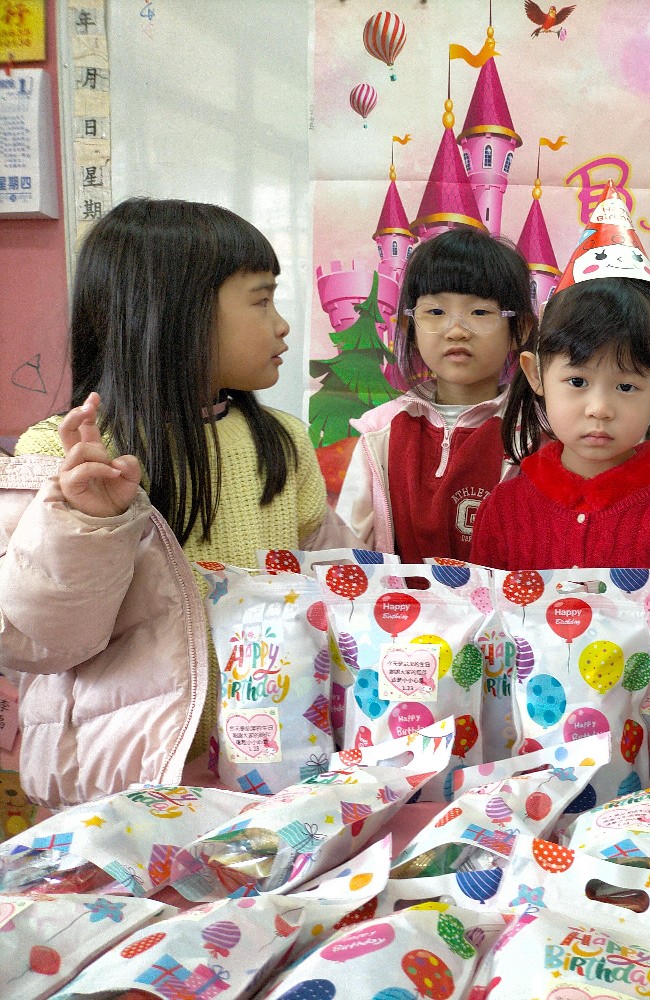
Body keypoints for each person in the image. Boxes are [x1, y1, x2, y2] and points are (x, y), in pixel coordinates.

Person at [0, 198, 354, 807]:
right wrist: (86, 522)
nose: (282, 325)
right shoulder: (66, 455)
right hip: (121, 783)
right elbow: (38, 639)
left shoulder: (282, 441)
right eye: (261, 300)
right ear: (176, 315)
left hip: (270, 762)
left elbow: (336, 583)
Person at [470, 185, 650, 570]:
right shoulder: (503, 509)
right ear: (535, 374)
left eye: (626, 386)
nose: (599, 409)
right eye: (577, 381)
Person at [336, 227, 535, 562]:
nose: (456, 331)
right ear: (410, 327)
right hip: (398, 598)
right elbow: (350, 552)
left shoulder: (534, 434)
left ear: (521, 330)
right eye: (436, 312)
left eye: (480, 312)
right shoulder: (381, 432)